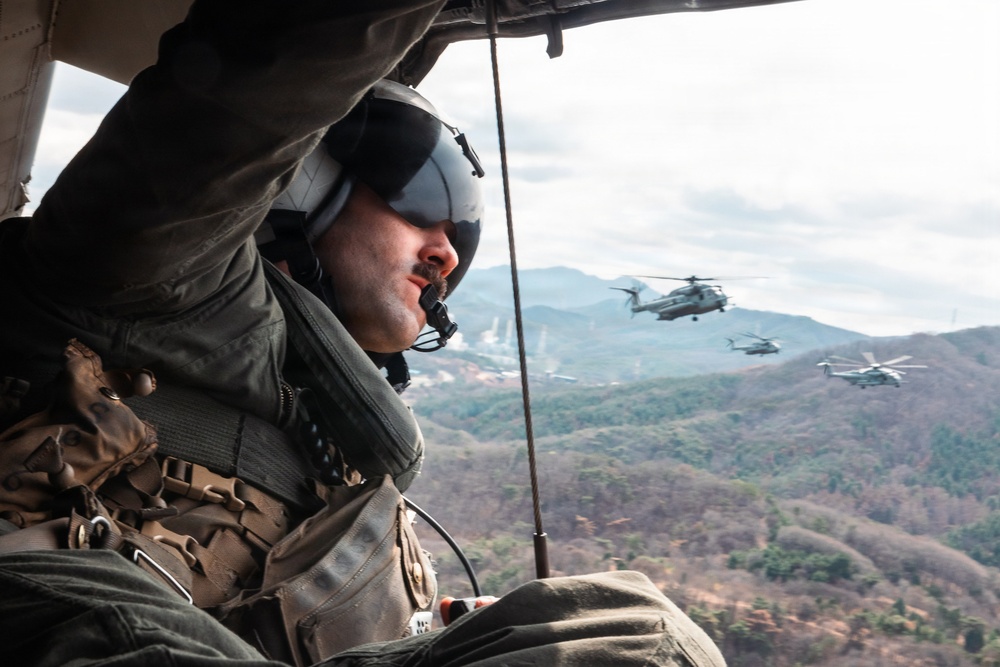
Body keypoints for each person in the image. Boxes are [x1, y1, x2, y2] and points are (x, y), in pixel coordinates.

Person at [0, 1, 726, 666]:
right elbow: (275, 65)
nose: (448, 254)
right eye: (426, 196)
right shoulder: (144, 270)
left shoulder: (325, 432)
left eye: (464, 239)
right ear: (304, 179)